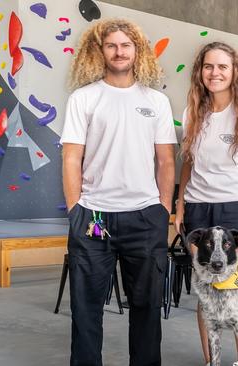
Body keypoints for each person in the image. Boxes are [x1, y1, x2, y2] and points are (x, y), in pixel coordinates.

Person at [60, 18, 177, 366]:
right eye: (111, 45)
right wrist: (75, 209)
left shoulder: (156, 101)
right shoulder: (84, 98)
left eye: (126, 45)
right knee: (85, 306)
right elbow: (71, 158)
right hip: (93, 218)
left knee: (146, 307)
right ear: (100, 51)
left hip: (144, 217)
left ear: (137, 51)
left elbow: (166, 160)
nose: (119, 51)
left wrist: (162, 209)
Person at [174, 42, 238, 366]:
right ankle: (211, 362)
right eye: (208, 67)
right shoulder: (193, 112)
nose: (214, 73)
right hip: (198, 210)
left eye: (222, 67)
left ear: (235, 73)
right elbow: (187, 164)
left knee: (235, 294)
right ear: (200, 72)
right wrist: (180, 207)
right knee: (207, 296)